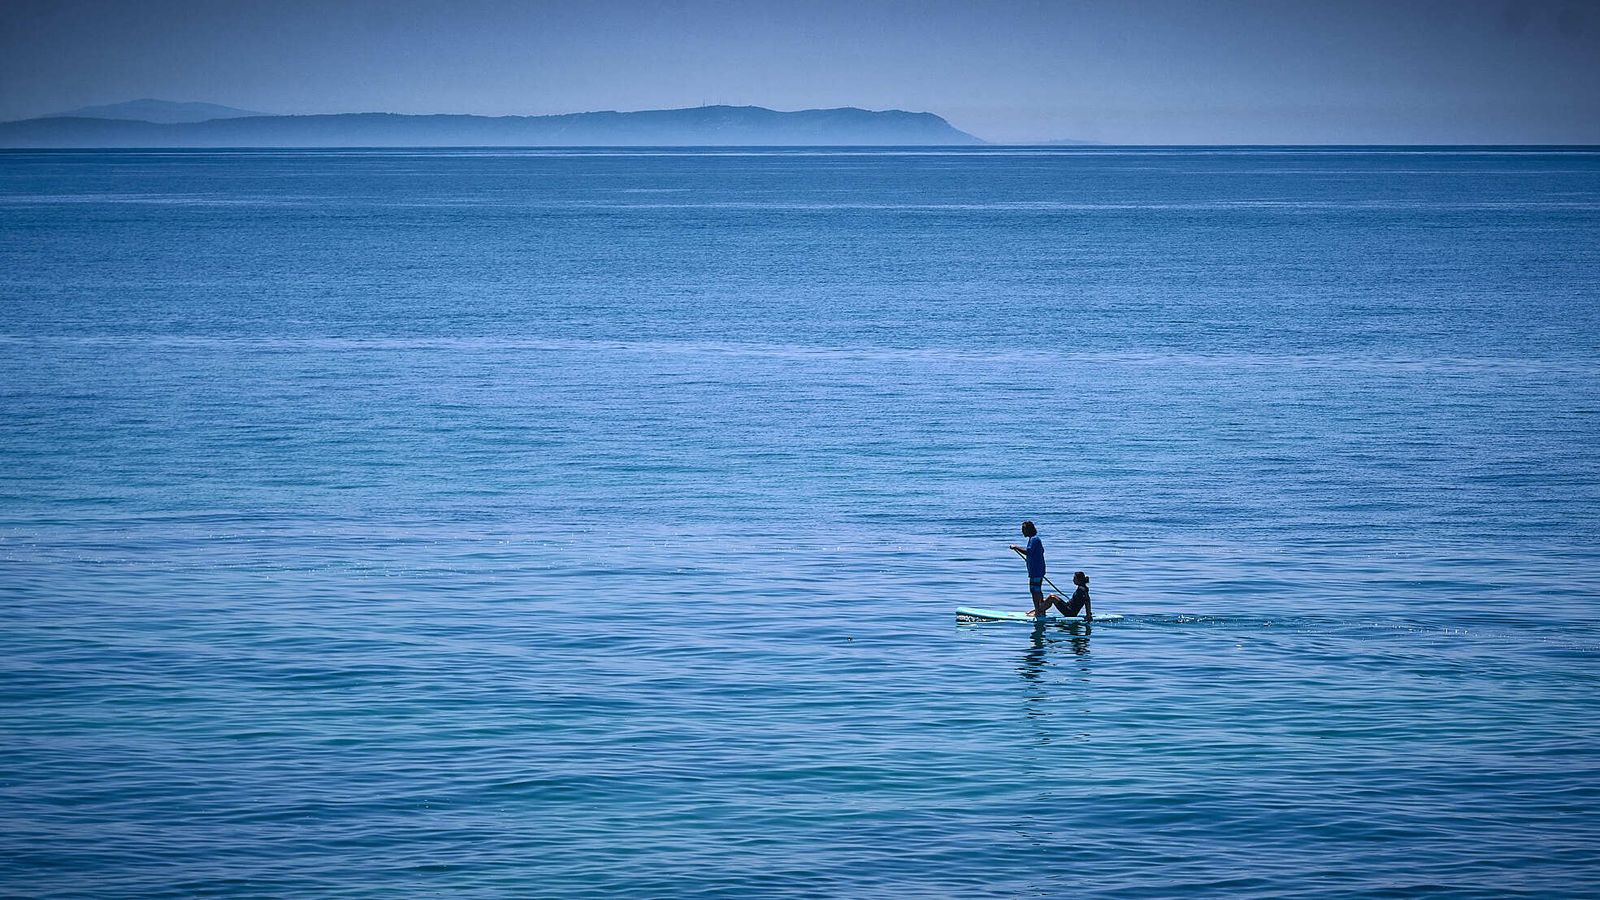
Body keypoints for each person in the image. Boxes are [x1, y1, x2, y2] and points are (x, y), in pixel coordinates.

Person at [1009, 520, 1048, 616]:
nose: (1022, 532)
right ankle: (1039, 609)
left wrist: (1016, 547)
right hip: (1037, 569)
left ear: (1028, 530)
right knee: (1037, 589)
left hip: (1036, 570)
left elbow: (1029, 552)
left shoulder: (1034, 539)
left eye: (1023, 529)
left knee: (1035, 590)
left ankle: (1038, 611)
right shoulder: (1034, 539)